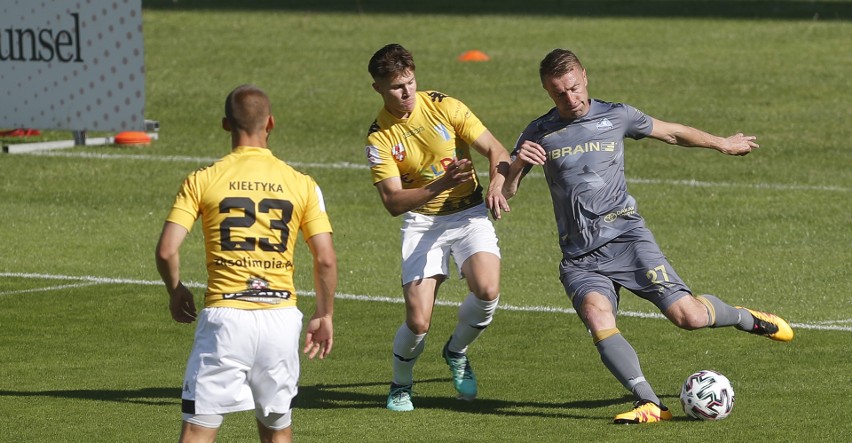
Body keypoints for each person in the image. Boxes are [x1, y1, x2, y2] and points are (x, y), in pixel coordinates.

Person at [504, 49, 794, 424]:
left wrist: (722, 142)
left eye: (574, 88)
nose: (570, 99)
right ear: (547, 91)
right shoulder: (538, 132)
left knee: (688, 317)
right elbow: (506, 191)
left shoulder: (617, 114)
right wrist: (515, 168)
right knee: (597, 315)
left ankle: (744, 317)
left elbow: (672, 132)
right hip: (580, 257)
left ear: (585, 77)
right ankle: (651, 403)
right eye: (559, 93)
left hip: (627, 239)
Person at [155, 84, 337, 442]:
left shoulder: (202, 180)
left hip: (226, 319)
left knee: (197, 431)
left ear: (226, 125)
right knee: (276, 431)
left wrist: (175, 290)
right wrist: (325, 313)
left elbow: (166, 250)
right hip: (281, 320)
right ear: (270, 123)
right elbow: (326, 259)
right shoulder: (301, 183)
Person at [364, 43, 511, 412]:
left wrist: (495, 184)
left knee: (488, 290)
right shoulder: (379, 138)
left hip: (468, 214)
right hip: (422, 223)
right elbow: (393, 203)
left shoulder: (445, 106)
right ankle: (400, 384)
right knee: (418, 321)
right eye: (397, 87)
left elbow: (496, 150)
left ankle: (456, 351)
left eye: (410, 82)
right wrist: (441, 185)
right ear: (378, 88)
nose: (407, 92)